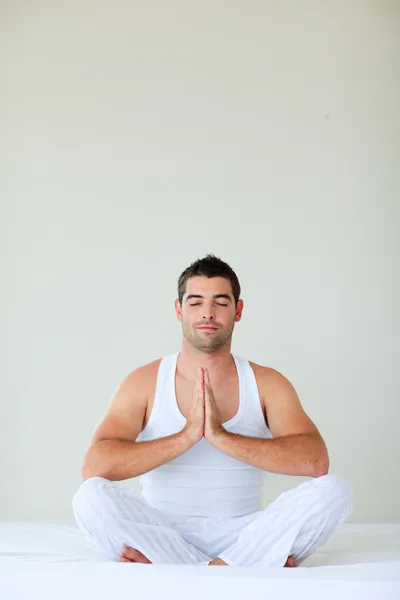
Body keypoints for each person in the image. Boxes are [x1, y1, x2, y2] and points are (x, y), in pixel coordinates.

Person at [72, 254, 354, 568]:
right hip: (163, 531)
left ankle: (185, 567)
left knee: (335, 490)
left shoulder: (267, 382)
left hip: (243, 531)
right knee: (90, 497)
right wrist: (186, 436)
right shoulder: (143, 381)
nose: (208, 313)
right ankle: (234, 566)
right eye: (195, 302)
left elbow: (316, 460)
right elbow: (95, 466)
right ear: (179, 311)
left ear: (238, 310)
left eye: (221, 302)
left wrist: (221, 436)